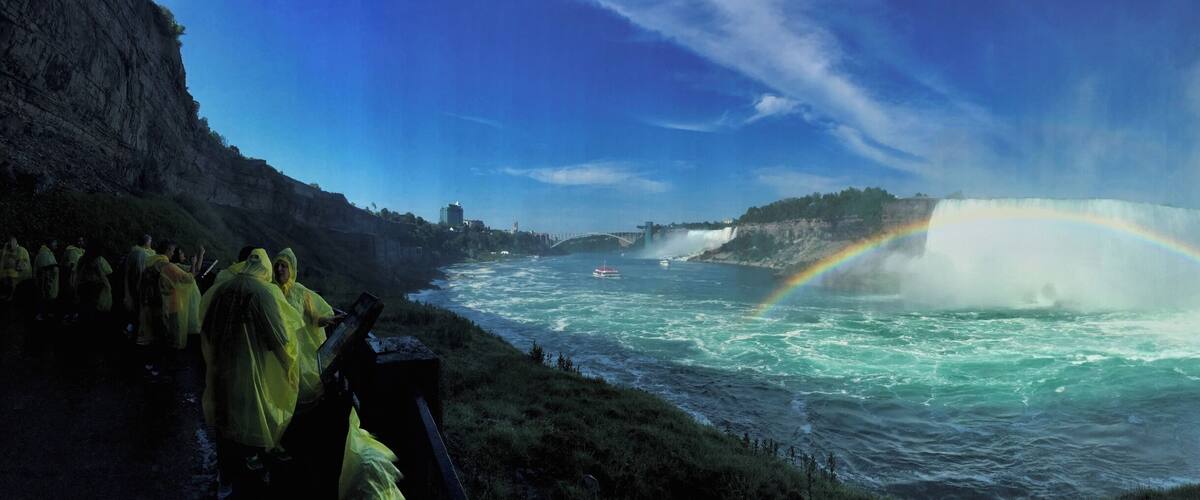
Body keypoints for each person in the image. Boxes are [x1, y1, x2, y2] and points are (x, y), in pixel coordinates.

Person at [200, 248, 303, 495]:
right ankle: (249, 476)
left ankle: (225, 482)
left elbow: (207, 329)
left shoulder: (224, 289)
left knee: (225, 427)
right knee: (249, 423)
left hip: (221, 372)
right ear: (266, 269)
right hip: (249, 375)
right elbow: (280, 340)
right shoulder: (264, 293)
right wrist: (290, 369)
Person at [273, 248, 342, 405]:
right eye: (277, 265)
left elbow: (314, 317)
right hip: (278, 348)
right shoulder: (270, 291)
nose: (279, 269)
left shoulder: (300, 292)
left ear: (292, 268)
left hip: (299, 351)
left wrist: (327, 320)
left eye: (284, 266)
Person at [138, 240, 203, 352]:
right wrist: (194, 263)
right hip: (168, 305)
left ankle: (152, 357)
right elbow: (189, 279)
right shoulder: (167, 266)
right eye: (173, 251)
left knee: (155, 332)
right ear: (168, 250)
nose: (173, 253)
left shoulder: (151, 262)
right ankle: (165, 358)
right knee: (170, 336)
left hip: (152, 302)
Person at [122, 234, 155, 315]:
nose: (151, 243)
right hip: (138, 286)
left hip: (134, 285)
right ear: (146, 242)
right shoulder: (141, 253)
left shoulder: (134, 251)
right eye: (150, 241)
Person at [34, 240, 59, 320]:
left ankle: (45, 314)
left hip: (47, 283)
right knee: (44, 298)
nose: (56, 246)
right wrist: (48, 283)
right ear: (50, 244)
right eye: (55, 244)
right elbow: (46, 270)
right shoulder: (45, 254)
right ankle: (42, 315)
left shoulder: (47, 253)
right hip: (46, 284)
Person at [0, 237, 31, 301]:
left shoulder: (21, 250)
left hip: (21, 278)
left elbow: (23, 266)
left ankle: (11, 296)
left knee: (12, 280)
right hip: (15, 276)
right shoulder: (7, 251)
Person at [61, 238, 86, 320]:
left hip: (79, 276)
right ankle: (68, 313)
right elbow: (67, 264)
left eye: (82, 240)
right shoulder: (70, 250)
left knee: (77, 295)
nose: (80, 242)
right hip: (71, 275)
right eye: (79, 240)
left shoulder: (83, 251)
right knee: (70, 294)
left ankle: (74, 313)